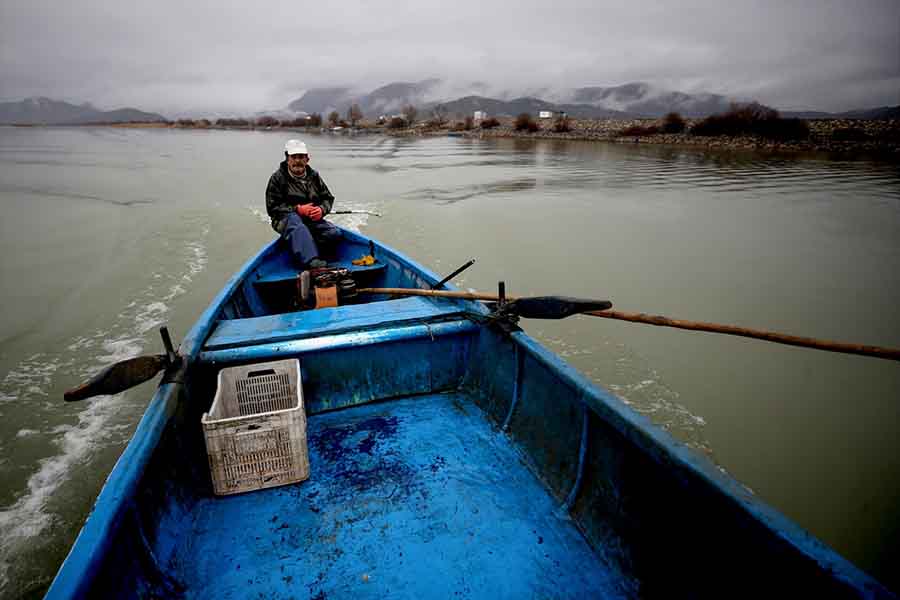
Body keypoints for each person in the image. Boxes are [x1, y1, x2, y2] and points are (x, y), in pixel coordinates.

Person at [265, 139, 340, 268]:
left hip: (310, 220)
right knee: (295, 221)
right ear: (287, 159)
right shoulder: (277, 178)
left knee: (334, 234)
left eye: (301, 157)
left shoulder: (314, 176)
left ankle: (305, 246)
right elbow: (272, 208)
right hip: (285, 219)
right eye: (294, 157)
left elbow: (328, 198)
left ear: (307, 159)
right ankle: (311, 261)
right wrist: (297, 209)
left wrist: (322, 209)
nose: (297, 161)